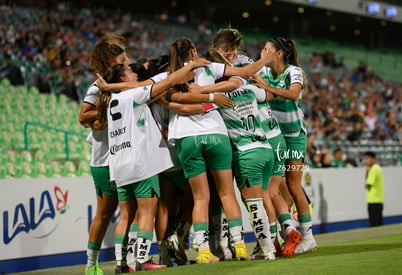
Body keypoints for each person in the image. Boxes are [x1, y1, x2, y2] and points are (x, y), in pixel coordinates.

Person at [165, 37, 275, 263]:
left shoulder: (169, 75)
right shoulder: (209, 66)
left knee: (200, 198)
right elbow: (240, 76)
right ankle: (240, 246)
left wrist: (188, 102)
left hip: (186, 138)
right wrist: (264, 60)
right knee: (227, 194)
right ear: (194, 51)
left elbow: (174, 100)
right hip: (216, 134)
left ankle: (204, 251)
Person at [96, 58, 211, 272]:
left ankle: (123, 263)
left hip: (119, 165)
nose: (134, 74)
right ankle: (141, 260)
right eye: (130, 72)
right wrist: (188, 67)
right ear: (123, 78)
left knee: (126, 216)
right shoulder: (134, 94)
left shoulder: (112, 101)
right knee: (147, 212)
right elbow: (165, 84)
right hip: (140, 164)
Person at [254, 37, 317, 254]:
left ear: (278, 53)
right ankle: (285, 232)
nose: (262, 53)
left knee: (293, 185)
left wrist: (265, 87)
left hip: (294, 136)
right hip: (275, 137)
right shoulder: (264, 72)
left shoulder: (293, 71)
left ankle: (308, 237)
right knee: (275, 188)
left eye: (266, 49)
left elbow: (293, 94)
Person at [78, 34, 128, 275]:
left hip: (125, 157)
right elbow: (82, 116)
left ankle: (126, 260)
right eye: (122, 59)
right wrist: (102, 115)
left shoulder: (125, 83)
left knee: (132, 210)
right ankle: (91, 264)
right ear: (109, 61)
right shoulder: (97, 87)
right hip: (104, 160)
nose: (126, 63)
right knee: (105, 212)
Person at [363, 151, 384, 227]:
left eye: (367, 159)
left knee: (374, 224)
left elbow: (367, 185)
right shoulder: (378, 168)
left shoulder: (373, 169)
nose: (365, 161)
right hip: (378, 200)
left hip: (373, 200)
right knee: (379, 223)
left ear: (373, 159)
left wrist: (367, 174)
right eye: (365, 159)